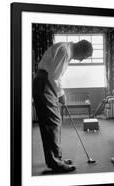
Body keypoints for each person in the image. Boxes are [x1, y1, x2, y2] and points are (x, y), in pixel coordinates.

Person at [33, 40, 93, 173]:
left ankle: (56, 159)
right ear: (81, 49)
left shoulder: (65, 48)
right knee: (52, 122)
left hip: (43, 82)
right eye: (85, 57)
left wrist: (59, 94)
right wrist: (62, 95)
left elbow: (54, 75)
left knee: (53, 122)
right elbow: (54, 77)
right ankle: (56, 162)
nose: (82, 60)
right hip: (45, 83)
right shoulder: (65, 52)